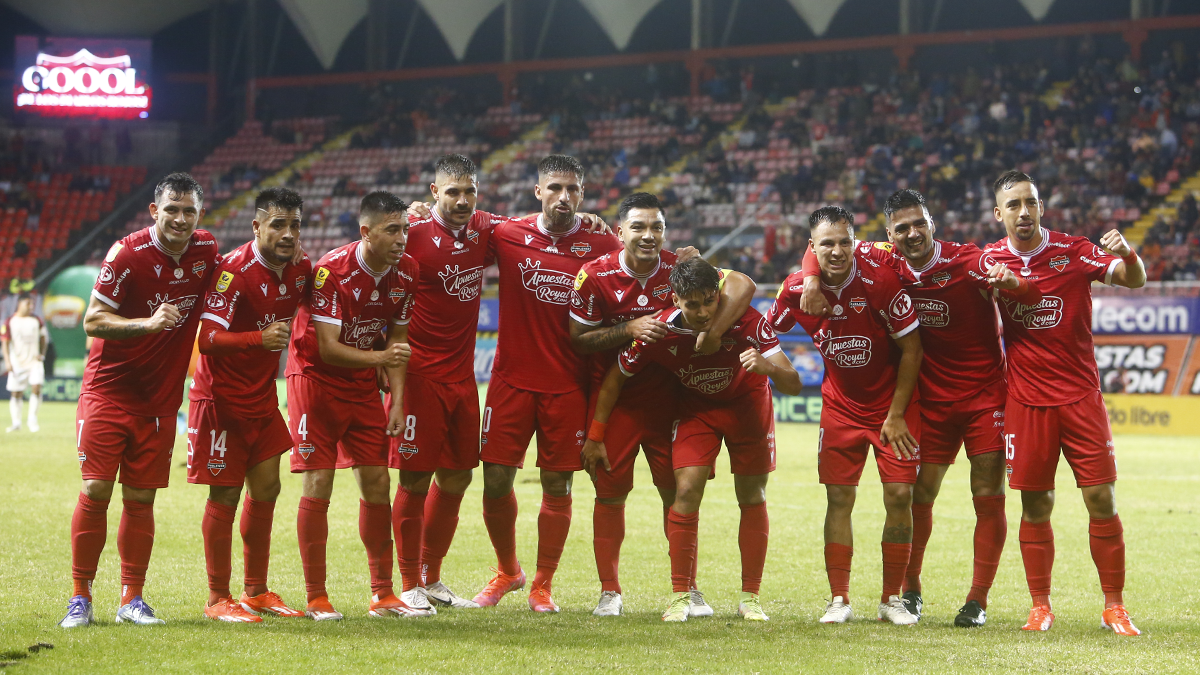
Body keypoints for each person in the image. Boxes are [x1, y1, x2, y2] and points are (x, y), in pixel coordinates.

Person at [792, 189, 1039, 626]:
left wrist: (1011, 281)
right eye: (901, 228)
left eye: (919, 224)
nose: (912, 233)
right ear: (890, 234)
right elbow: (823, 245)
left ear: (932, 223)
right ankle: (910, 591)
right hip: (930, 400)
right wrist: (810, 279)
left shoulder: (968, 261)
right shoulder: (884, 260)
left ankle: (977, 600)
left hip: (985, 398)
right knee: (916, 496)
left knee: (987, 495)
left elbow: (1024, 288)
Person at [568, 191, 756, 617]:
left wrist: (711, 334)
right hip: (616, 403)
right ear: (620, 232)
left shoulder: (681, 269)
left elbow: (741, 284)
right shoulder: (594, 275)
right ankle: (610, 592)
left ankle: (687, 588)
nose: (648, 235)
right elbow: (578, 341)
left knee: (678, 497)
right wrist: (628, 328)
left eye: (656, 227)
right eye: (638, 226)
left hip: (674, 404)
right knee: (610, 497)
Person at [584, 257, 800, 622]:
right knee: (685, 491)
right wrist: (595, 433)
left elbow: (792, 383)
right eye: (692, 304)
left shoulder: (749, 323)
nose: (702, 312)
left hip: (748, 407)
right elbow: (615, 378)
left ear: (718, 295)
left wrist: (767, 368)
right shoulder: (660, 331)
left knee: (751, 495)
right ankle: (681, 595)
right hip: (697, 410)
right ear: (675, 300)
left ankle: (751, 597)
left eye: (709, 301)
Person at [984, 170, 1145, 635]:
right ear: (999, 214)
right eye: (1012, 205)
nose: (1023, 212)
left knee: (1101, 497)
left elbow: (1134, 280)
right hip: (1026, 402)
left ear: (1041, 206)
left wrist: (1128, 253)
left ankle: (1114, 605)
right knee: (1036, 506)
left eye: (1030, 202)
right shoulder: (988, 259)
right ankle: (1040, 605)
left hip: (1080, 397)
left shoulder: (1073, 251)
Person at [61, 173, 219, 628]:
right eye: (172, 209)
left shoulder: (206, 250)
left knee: (141, 498)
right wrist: (146, 324)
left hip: (158, 403)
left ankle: (132, 599)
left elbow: (249, 266)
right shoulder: (126, 254)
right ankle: (80, 597)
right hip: (108, 393)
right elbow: (92, 321)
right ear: (155, 211)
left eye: (189, 211)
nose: (180, 219)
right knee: (95, 489)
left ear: (199, 215)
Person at [473, 155, 621, 612]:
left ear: (583, 192)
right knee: (496, 480)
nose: (564, 197)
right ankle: (507, 570)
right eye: (554, 187)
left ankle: (542, 584)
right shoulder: (506, 233)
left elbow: (638, 266)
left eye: (572, 189)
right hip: (511, 380)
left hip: (569, 384)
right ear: (537, 191)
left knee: (559, 485)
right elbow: (451, 220)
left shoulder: (601, 240)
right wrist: (421, 207)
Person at [769, 206, 923, 626]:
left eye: (843, 242)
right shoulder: (796, 289)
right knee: (839, 498)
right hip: (840, 408)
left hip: (893, 408)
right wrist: (780, 369)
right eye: (826, 244)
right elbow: (765, 332)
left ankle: (892, 598)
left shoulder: (881, 281)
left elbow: (913, 349)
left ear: (854, 240)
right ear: (812, 248)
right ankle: (839, 598)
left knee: (899, 496)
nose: (837, 251)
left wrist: (896, 414)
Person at [285, 191, 421, 620]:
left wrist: (397, 401)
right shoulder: (332, 272)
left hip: (362, 387)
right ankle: (316, 597)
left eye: (405, 229)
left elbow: (398, 341)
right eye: (392, 231)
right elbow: (327, 349)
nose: (402, 239)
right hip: (314, 381)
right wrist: (382, 360)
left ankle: (383, 595)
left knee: (378, 484)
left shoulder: (407, 272)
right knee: (319, 484)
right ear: (366, 232)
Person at [188, 187, 311, 622]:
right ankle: (217, 599)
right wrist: (258, 338)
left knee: (268, 488)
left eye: (295, 224)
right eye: (278, 224)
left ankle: (255, 591)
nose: (288, 233)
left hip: (261, 399)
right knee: (225, 493)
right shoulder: (233, 272)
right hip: (220, 400)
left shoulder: (300, 269)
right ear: (257, 226)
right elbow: (206, 339)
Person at [384, 154, 497, 610]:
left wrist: (586, 219)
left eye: (469, 191)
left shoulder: (483, 230)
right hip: (419, 376)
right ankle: (408, 582)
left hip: (463, 378)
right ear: (434, 192)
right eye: (453, 191)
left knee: (457, 477)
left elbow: (532, 225)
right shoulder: (409, 236)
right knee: (413, 481)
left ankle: (431, 577)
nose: (462, 200)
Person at [2, 293, 47, 433]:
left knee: (37, 386)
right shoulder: (10, 321)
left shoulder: (36, 320)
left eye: (32, 304)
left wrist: (42, 354)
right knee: (16, 393)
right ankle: (16, 422)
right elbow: (5, 343)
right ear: (20, 304)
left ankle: (32, 420)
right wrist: (8, 361)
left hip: (34, 361)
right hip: (17, 362)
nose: (31, 306)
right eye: (28, 303)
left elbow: (43, 337)